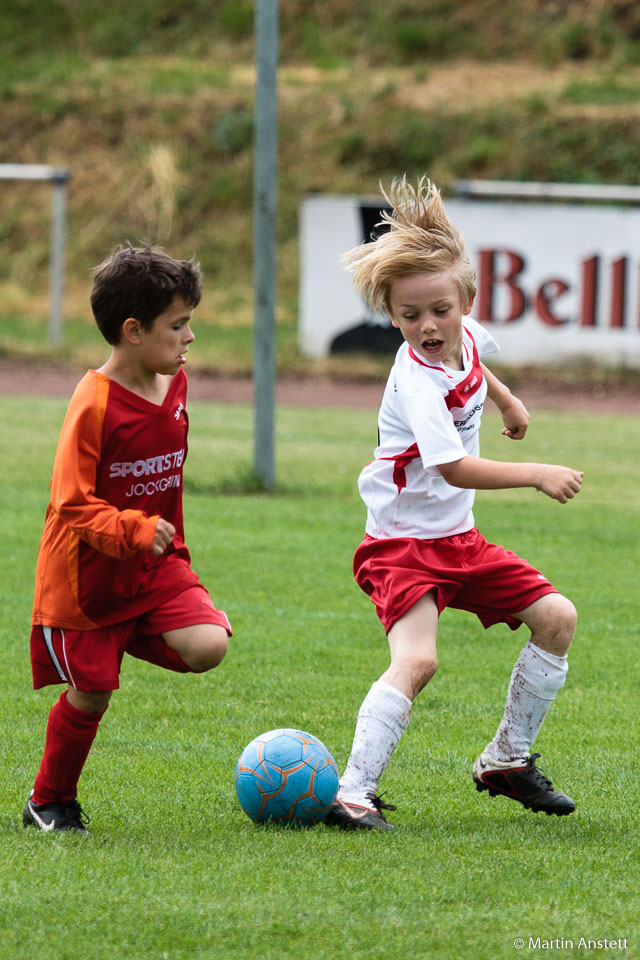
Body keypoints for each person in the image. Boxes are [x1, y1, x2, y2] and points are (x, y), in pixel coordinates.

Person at [325, 177, 583, 831]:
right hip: (402, 547)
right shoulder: (414, 378)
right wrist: (535, 473)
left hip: (457, 539)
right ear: (393, 318)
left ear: (465, 301)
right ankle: (352, 792)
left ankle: (507, 760)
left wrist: (507, 400)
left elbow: (475, 359)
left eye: (440, 310)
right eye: (410, 317)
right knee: (418, 661)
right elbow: (450, 464)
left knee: (556, 618)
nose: (427, 326)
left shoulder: (460, 337)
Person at [24, 245, 231, 833]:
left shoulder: (176, 383)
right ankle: (49, 800)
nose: (189, 337)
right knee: (92, 695)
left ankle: (130, 635)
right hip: (86, 583)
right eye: (178, 324)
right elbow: (71, 503)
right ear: (133, 331)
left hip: (154, 567)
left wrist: (163, 543)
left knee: (209, 645)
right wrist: (136, 529)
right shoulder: (92, 404)